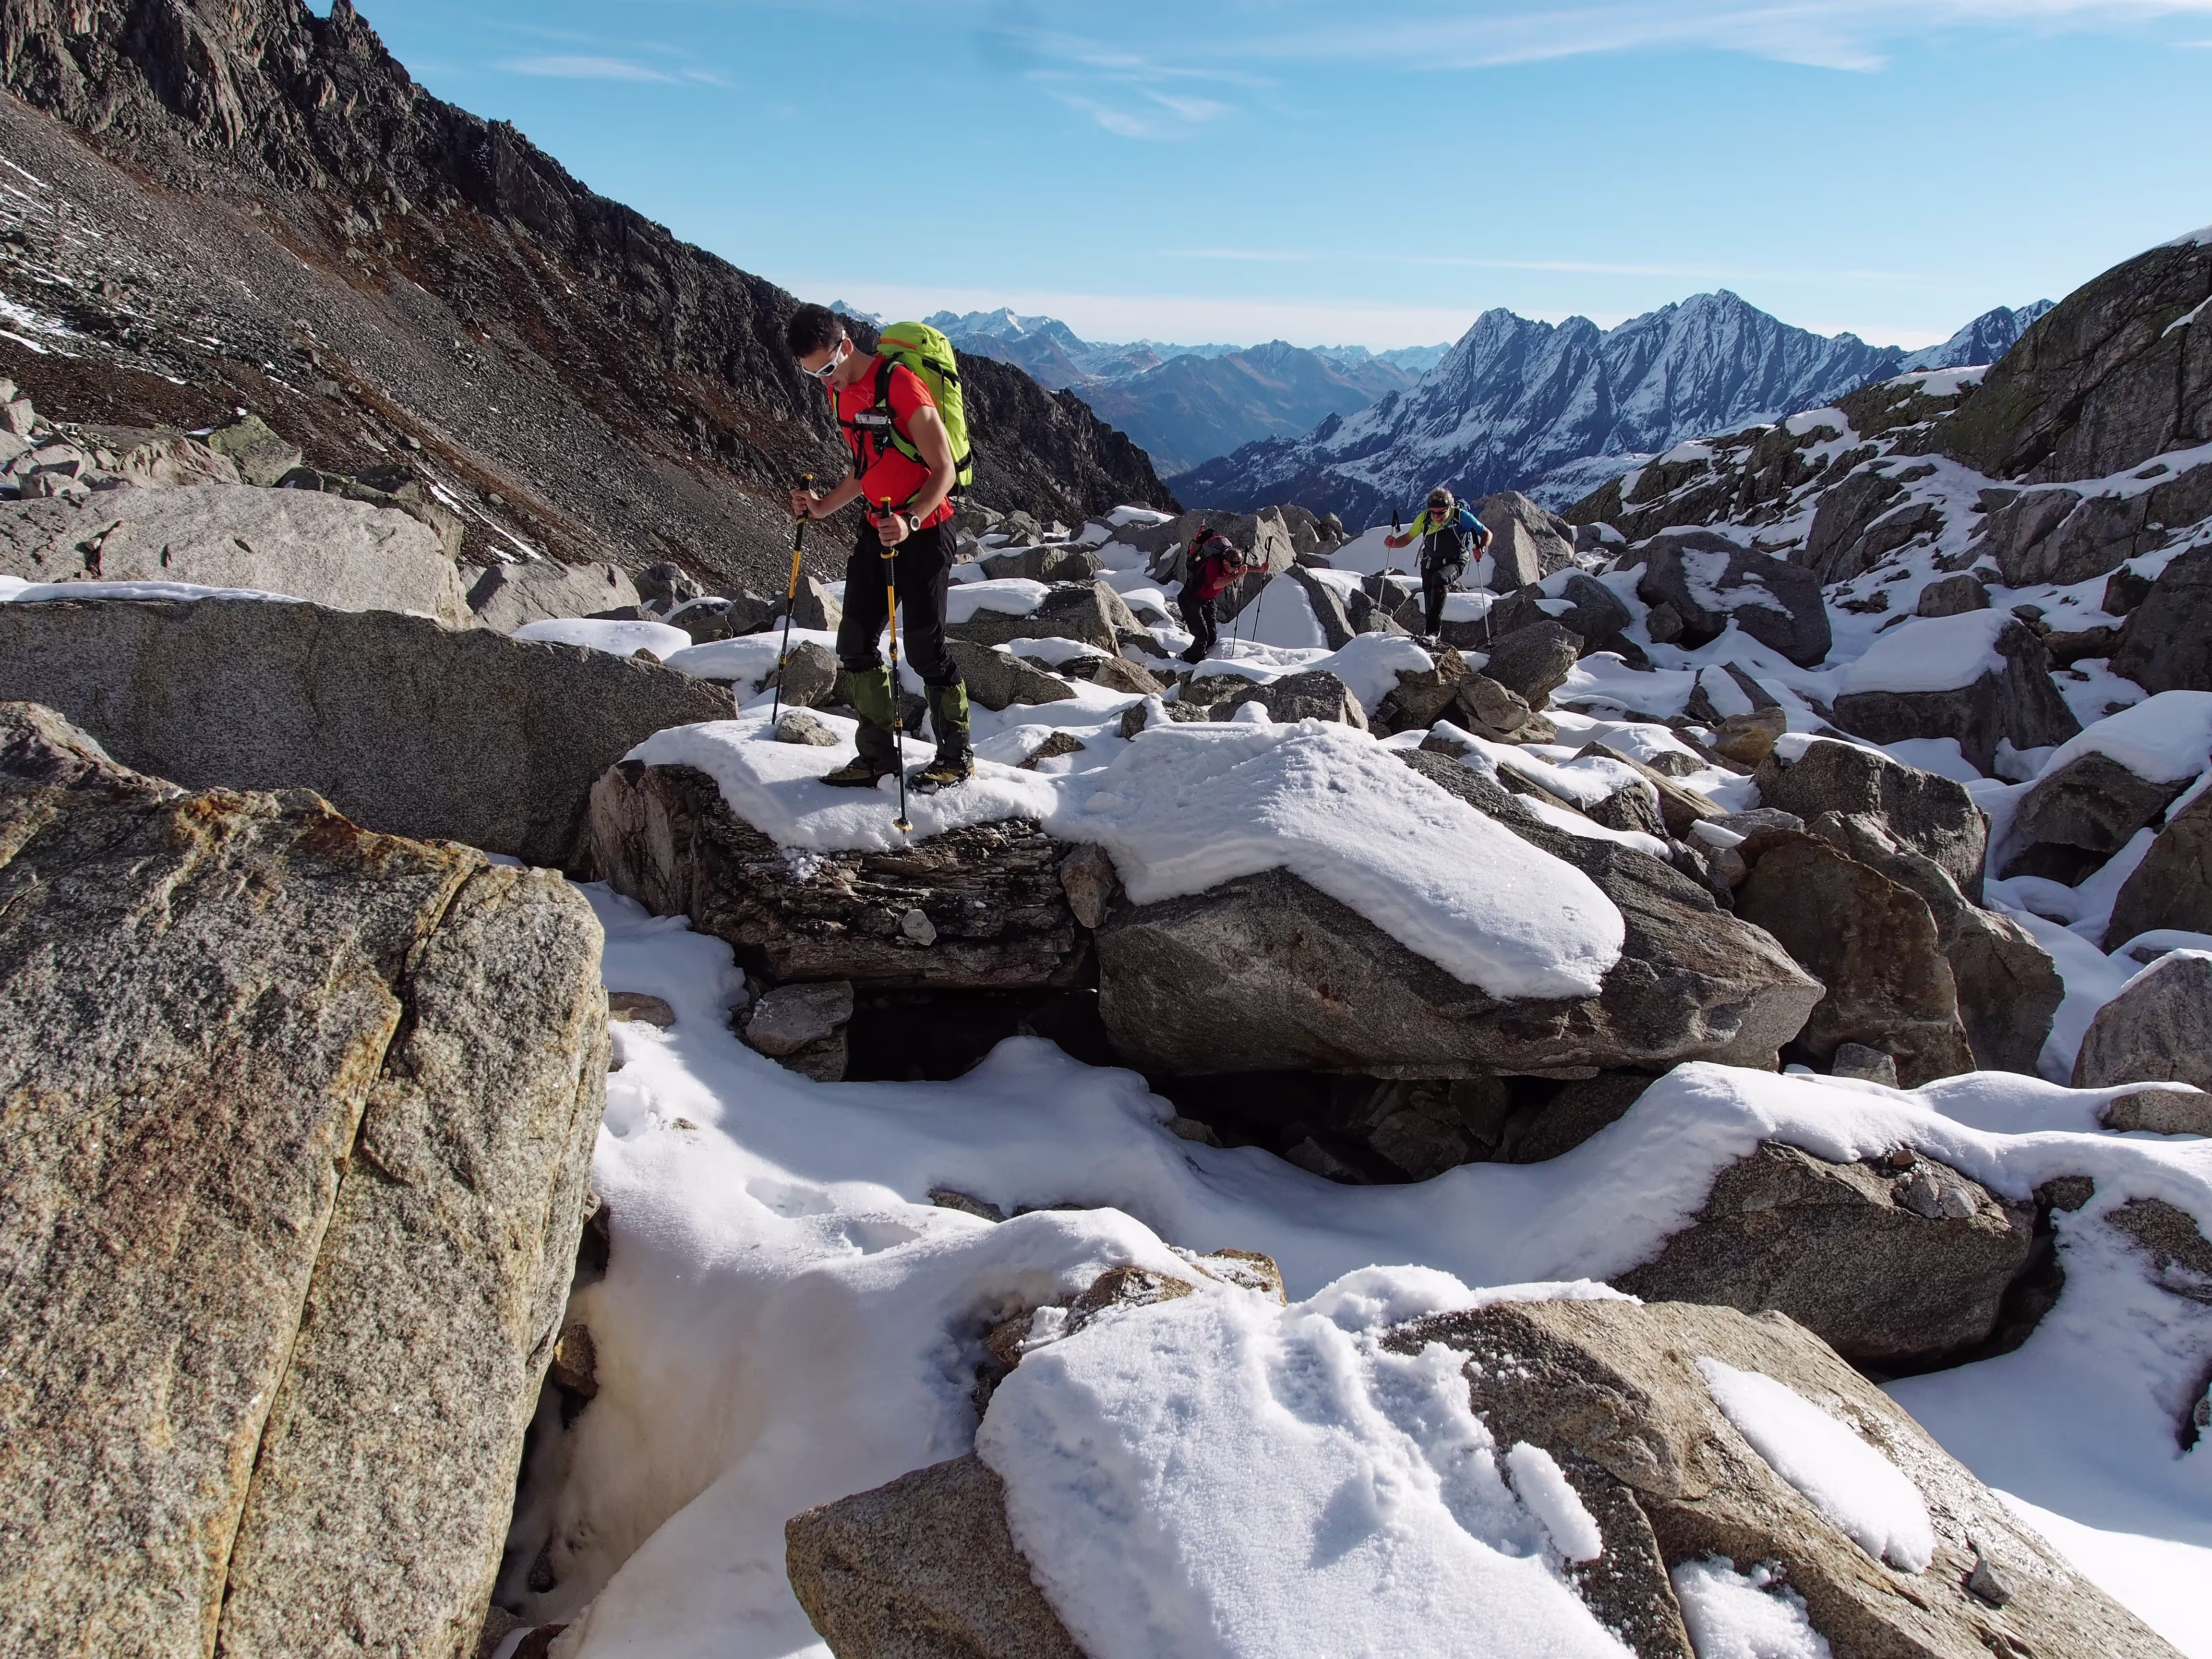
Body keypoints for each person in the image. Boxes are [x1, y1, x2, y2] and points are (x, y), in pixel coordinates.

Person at [785, 303, 971, 791]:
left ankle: (956, 757)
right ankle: (878, 759)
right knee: (855, 643)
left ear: (845, 346)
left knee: (926, 651)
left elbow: (944, 469)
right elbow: (864, 467)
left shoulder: (901, 384)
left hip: (926, 532)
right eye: (814, 376)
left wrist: (911, 521)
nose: (827, 383)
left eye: (828, 369)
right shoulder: (841, 394)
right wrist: (823, 506)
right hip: (877, 528)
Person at [1384, 486, 1492, 643]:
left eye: (1441, 513)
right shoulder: (1425, 518)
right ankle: (1431, 635)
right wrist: (1394, 543)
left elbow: (1486, 533)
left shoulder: (1461, 517)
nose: (1436, 516)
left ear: (1450, 508)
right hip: (1429, 562)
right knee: (1430, 602)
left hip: (1456, 561)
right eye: (1433, 512)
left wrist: (1481, 548)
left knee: (1440, 580)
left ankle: (1433, 634)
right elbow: (1408, 538)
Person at [1149, 521, 1251, 663]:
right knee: (1202, 636)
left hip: (1206, 601)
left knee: (1212, 638)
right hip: (1190, 600)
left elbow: (1241, 570)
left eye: (1237, 567)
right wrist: (1236, 576)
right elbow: (1216, 584)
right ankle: (1186, 661)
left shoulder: (1228, 564)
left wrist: (1260, 569)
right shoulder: (1213, 564)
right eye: (1233, 566)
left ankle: (1199, 658)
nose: (1235, 569)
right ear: (1225, 561)